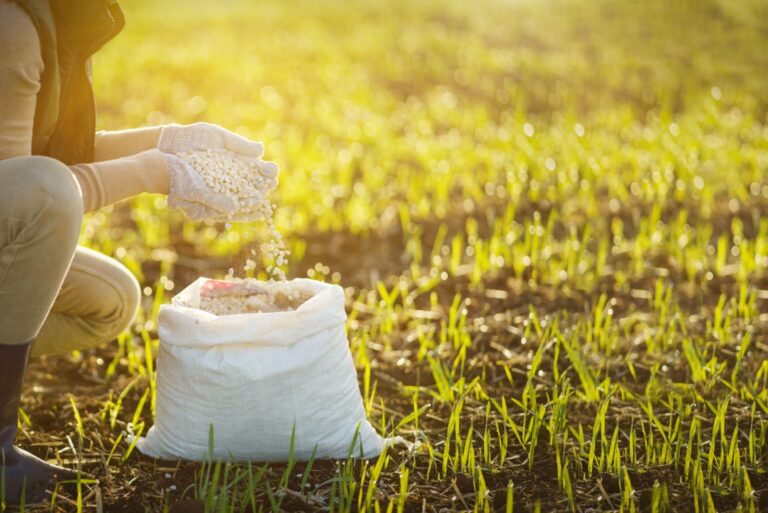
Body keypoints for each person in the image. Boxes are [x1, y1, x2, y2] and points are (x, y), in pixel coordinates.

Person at [0, 0, 277, 504]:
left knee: (108, 298)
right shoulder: (11, 24)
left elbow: (45, 158)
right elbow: (30, 192)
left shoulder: (50, 17)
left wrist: (172, 143)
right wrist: (154, 172)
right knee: (48, 191)